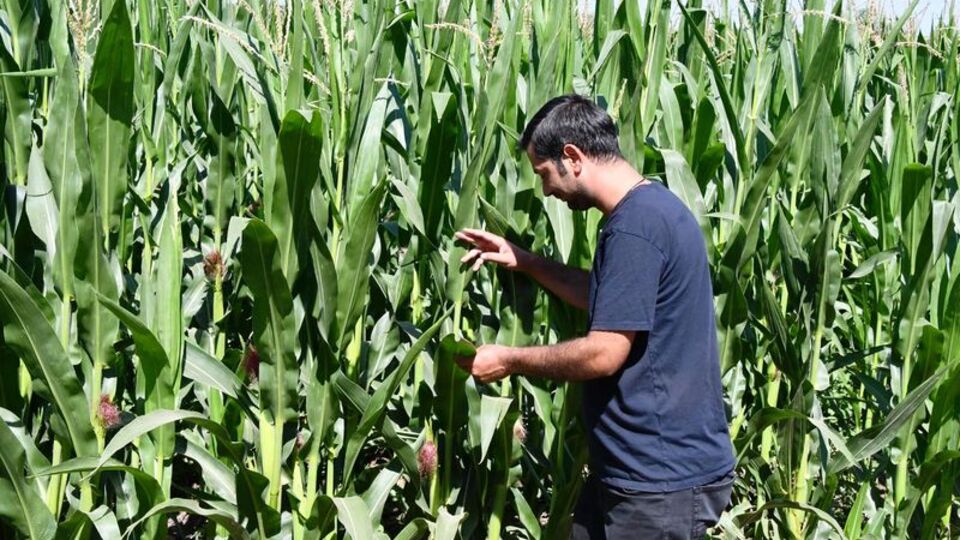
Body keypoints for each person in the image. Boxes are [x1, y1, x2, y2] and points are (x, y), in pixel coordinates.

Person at [453, 94, 736, 539]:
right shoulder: (653, 209)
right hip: (636, 472)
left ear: (573, 157)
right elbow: (613, 298)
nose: (546, 190)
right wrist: (524, 260)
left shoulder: (634, 229)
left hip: (658, 482)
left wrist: (508, 359)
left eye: (545, 174)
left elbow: (604, 353)